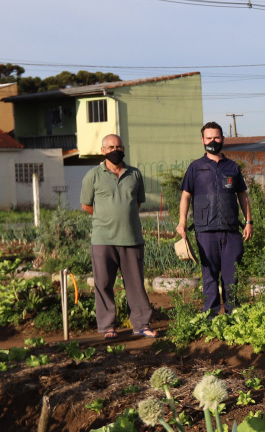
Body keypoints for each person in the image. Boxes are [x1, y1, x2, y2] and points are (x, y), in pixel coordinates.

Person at [80, 134, 157, 339]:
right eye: (111, 147)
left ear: (124, 149)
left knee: (136, 284)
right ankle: (108, 327)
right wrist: (106, 218)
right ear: (103, 150)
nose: (116, 150)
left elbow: (137, 203)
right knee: (103, 284)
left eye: (119, 146)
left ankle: (141, 324)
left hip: (131, 238)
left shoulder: (135, 174)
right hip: (103, 239)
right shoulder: (93, 175)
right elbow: (86, 205)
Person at [176, 122, 253, 317]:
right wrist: (182, 222)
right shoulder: (196, 167)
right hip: (205, 230)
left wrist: (249, 222)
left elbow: (243, 195)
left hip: (231, 230)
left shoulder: (232, 167)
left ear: (223, 139)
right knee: (209, 275)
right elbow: (186, 195)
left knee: (231, 275)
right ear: (202, 140)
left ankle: (232, 313)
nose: (213, 141)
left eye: (216, 137)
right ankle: (210, 316)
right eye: (209, 138)